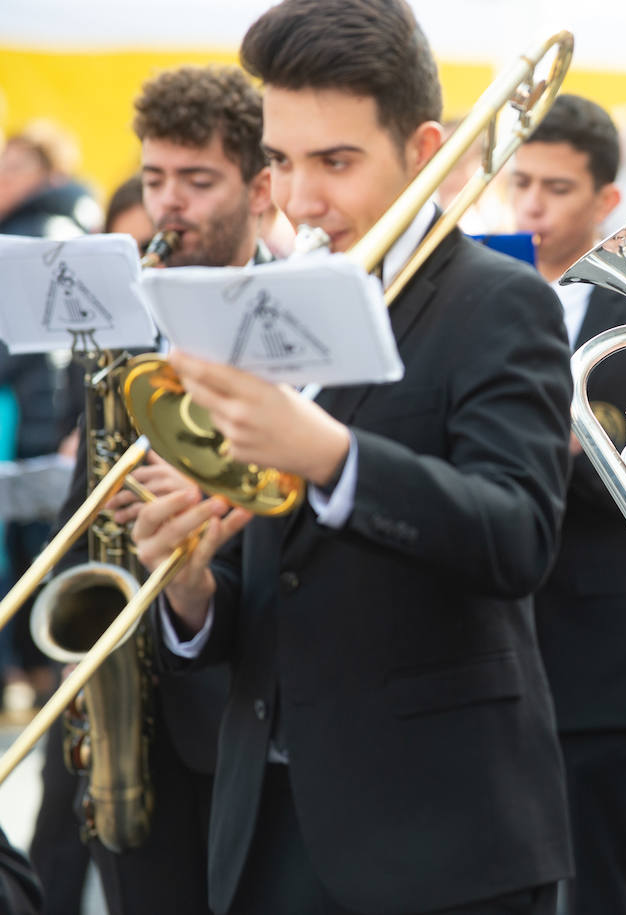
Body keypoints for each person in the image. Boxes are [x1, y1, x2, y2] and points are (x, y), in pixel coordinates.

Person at [129, 1, 574, 912]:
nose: (300, 200)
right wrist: (190, 590)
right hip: (267, 827)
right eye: (283, 163)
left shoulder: (500, 303)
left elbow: (518, 537)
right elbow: (275, 582)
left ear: (423, 149)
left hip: (440, 837)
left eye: (335, 162)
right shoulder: (270, 300)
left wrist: (330, 456)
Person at [35, 64, 274, 915]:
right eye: (154, 178)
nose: (170, 202)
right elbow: (84, 484)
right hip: (124, 700)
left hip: (240, 706)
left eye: (198, 180)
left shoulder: (292, 315)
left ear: (260, 184)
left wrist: (203, 492)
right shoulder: (121, 317)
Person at [510, 93, 626, 915]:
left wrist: (559, 448)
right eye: (521, 182)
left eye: (558, 188)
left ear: (607, 201)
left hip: (599, 656)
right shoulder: (478, 299)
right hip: (486, 650)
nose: (532, 205)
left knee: (599, 888)